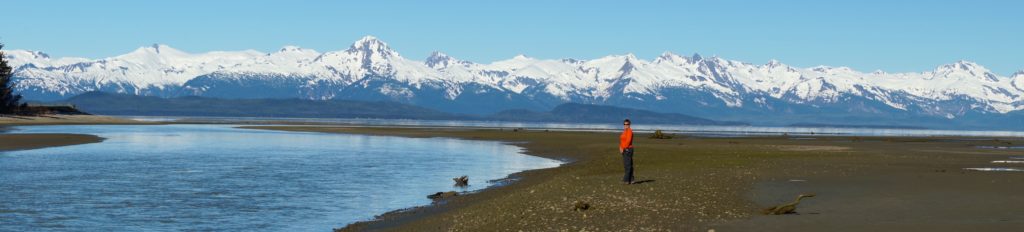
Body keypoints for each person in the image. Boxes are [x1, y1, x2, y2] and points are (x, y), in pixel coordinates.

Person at [619, 119, 635, 184]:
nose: (626, 125)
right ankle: (631, 179)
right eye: (625, 124)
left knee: (627, 165)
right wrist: (620, 147)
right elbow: (622, 140)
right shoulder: (624, 131)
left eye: (627, 124)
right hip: (624, 149)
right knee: (628, 165)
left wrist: (623, 148)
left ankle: (626, 180)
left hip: (628, 149)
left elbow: (628, 141)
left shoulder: (629, 131)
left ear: (629, 125)